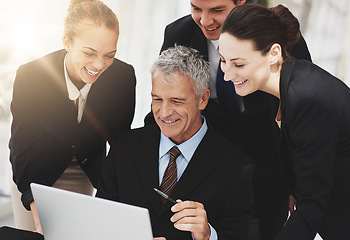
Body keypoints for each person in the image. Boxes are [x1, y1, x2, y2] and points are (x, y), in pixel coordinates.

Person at [145, 1, 312, 239]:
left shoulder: (276, 33)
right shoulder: (178, 33)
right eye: (196, 8)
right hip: (209, 165)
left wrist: (300, 181)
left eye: (217, 10)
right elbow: (165, 100)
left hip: (269, 164)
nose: (205, 21)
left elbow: (301, 114)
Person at [219, 4, 350, 240]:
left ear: (274, 53)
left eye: (239, 64)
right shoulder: (284, 80)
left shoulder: (307, 99)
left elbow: (311, 205)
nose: (227, 74)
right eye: (223, 60)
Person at [97, 45, 254, 240]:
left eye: (176, 101)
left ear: (203, 99)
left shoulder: (236, 167)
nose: (164, 112)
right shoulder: (124, 146)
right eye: (157, 99)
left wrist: (208, 236)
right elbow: (100, 222)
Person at [9, 0, 136, 234]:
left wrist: (114, 202)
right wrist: (37, 211)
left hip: (84, 170)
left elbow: (120, 144)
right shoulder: (31, 76)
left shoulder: (123, 77)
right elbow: (22, 149)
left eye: (109, 55)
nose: (99, 65)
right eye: (89, 53)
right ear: (67, 42)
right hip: (32, 171)